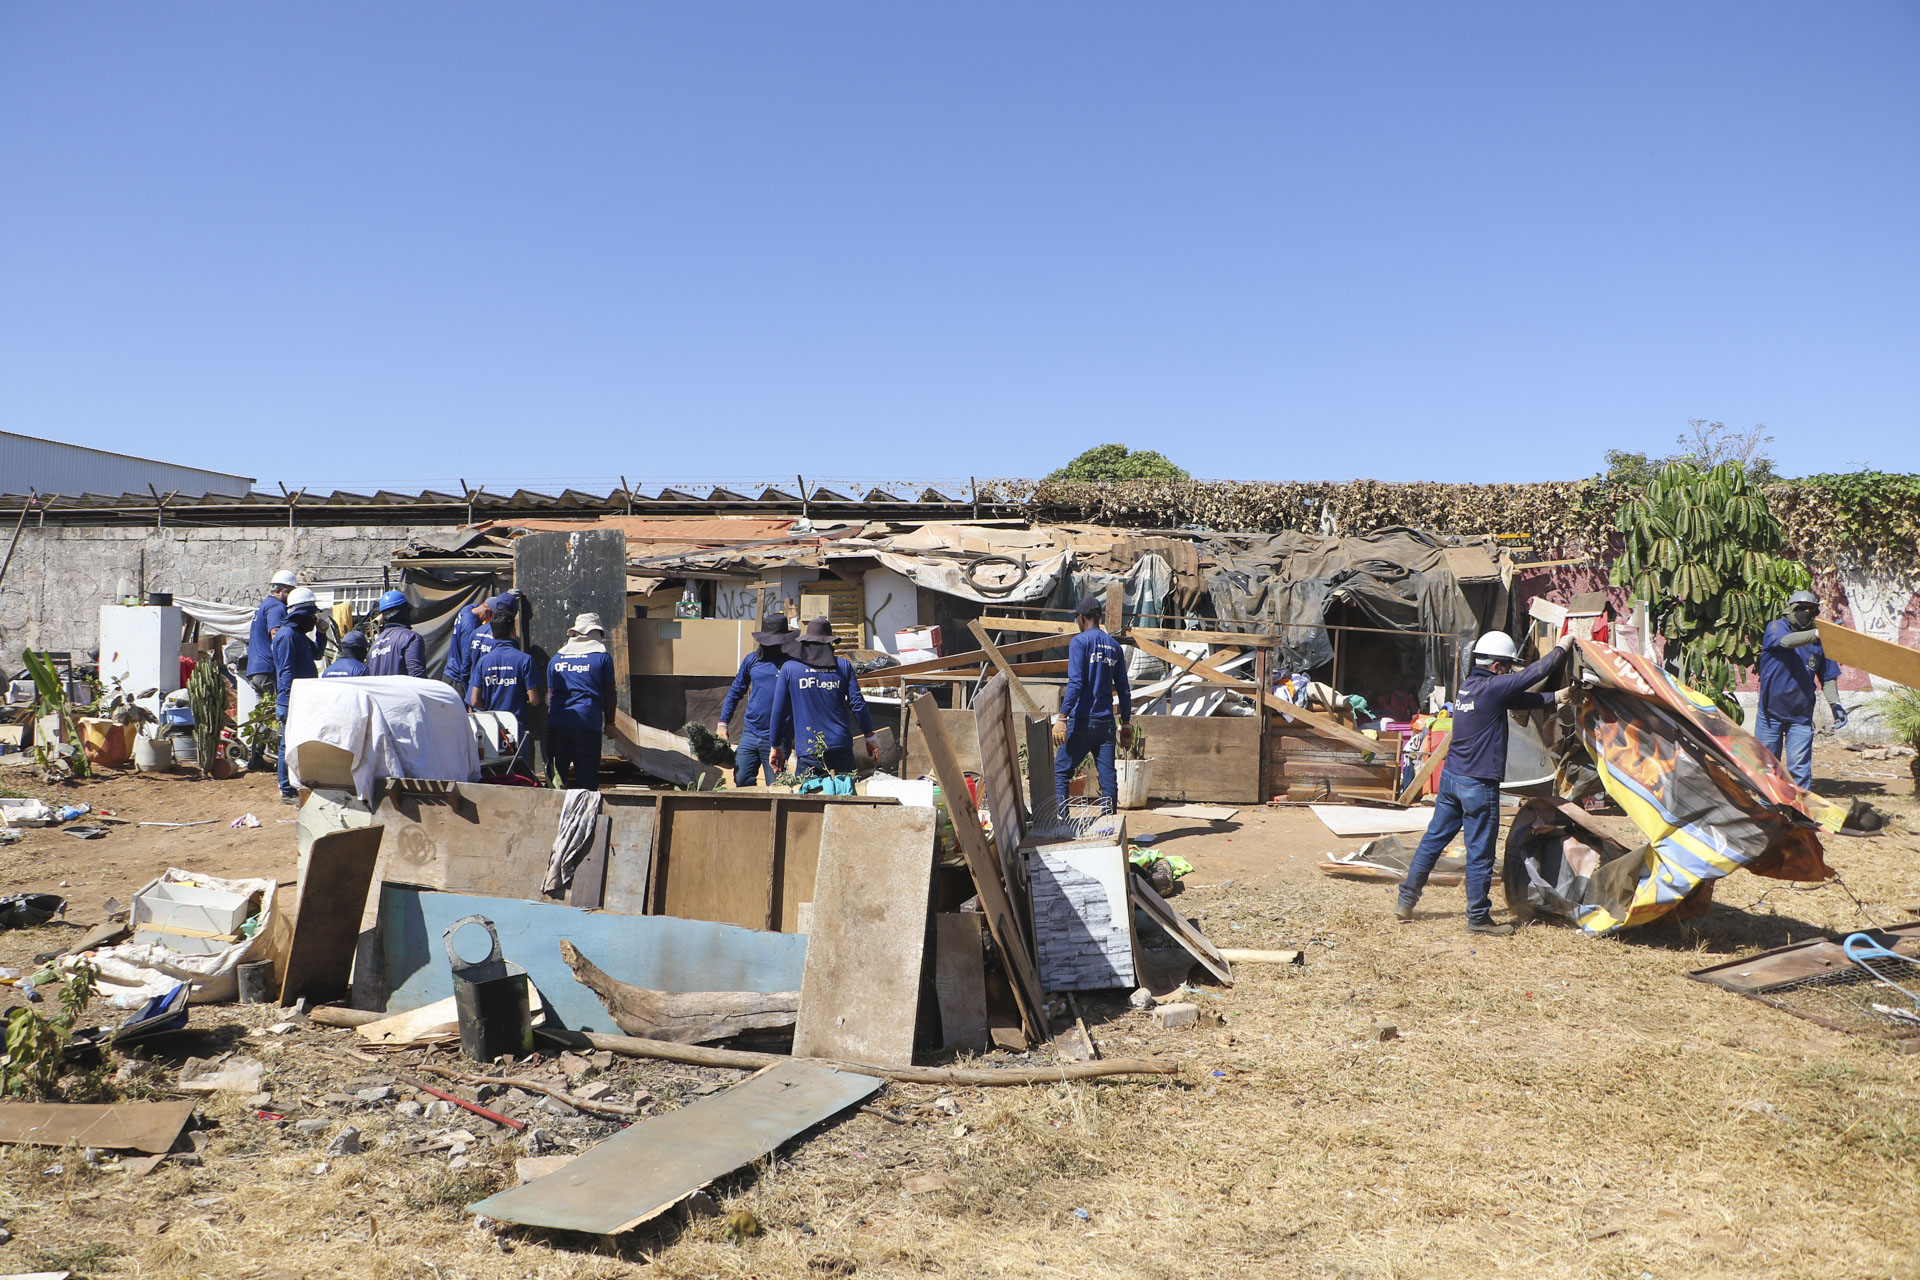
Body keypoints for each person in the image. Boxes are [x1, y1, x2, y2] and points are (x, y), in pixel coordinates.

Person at [1397, 630, 1574, 935]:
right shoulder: (1493, 687)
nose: (1509, 672)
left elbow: (1517, 698)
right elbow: (1538, 671)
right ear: (1496, 666)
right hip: (1478, 785)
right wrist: (1563, 646)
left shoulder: (1469, 687)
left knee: (1433, 841)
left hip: (1452, 779)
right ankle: (1478, 918)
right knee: (1480, 852)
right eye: (1507, 666)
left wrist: (1555, 697)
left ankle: (1405, 900)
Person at [1052, 595, 1134, 816]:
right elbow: (1124, 690)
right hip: (1106, 724)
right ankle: (1109, 825)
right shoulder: (1114, 646)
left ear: (1081, 618)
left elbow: (1076, 682)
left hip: (1082, 721)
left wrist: (1062, 717)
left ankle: (1062, 823)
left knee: (1061, 773)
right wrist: (1126, 724)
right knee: (1107, 778)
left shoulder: (1079, 642)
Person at [1756, 589, 1845, 789]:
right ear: (1790, 610)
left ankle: (1799, 813)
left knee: (1800, 769)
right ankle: (1767, 810)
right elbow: (1787, 642)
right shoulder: (1776, 627)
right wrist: (1818, 633)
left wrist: (1835, 704)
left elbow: (1828, 677)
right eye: (1801, 608)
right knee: (1767, 767)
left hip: (1801, 717)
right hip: (1770, 714)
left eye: (1811, 609)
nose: (1806, 612)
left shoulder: (1821, 643)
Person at [770, 618, 877, 777]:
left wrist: (775, 745)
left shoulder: (790, 669)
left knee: (809, 797)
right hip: (840, 747)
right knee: (844, 797)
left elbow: (779, 710)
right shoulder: (843, 666)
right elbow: (858, 705)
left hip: (808, 750)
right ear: (830, 643)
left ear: (806, 643)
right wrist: (870, 737)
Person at [718, 612, 797, 786]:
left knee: (776, 785)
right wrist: (722, 724)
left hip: (778, 737)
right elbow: (735, 692)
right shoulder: (752, 660)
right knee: (741, 779)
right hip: (751, 732)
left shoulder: (793, 664)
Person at [546, 613, 617, 791]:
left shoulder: (556, 659)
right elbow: (610, 694)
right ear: (597, 633)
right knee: (587, 782)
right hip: (587, 724)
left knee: (555, 780)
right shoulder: (602, 658)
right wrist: (610, 724)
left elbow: (551, 695)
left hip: (557, 724)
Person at [272, 586, 322, 803]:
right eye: (311, 615)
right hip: (292, 699)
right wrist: (289, 699)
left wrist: (322, 632)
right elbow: (286, 671)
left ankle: (296, 785)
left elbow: (317, 653)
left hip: (301, 698)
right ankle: (286, 790)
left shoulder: (298, 635)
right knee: (288, 743)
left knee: (299, 743)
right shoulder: (288, 636)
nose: (313, 618)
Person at [244, 570, 297, 769]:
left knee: (264, 716)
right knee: (277, 713)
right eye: (290, 591)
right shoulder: (276, 607)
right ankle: (279, 758)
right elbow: (276, 634)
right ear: (282, 590)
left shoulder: (263, 605)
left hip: (255, 670)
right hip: (267, 669)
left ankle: (256, 758)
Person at [467, 595, 544, 717]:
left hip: (488, 719)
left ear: (493, 634)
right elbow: (534, 700)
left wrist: (488, 711)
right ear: (513, 631)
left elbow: (475, 700)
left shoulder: (483, 660)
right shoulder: (524, 659)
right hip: (516, 722)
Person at [367, 589, 427, 678]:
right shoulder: (410, 638)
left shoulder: (375, 645)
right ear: (404, 611)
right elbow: (417, 677)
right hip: (402, 692)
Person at [445, 596, 493, 693]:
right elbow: (466, 659)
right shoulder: (471, 627)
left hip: (450, 673)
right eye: (490, 617)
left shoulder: (468, 609)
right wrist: (467, 688)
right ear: (486, 612)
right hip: (457, 680)